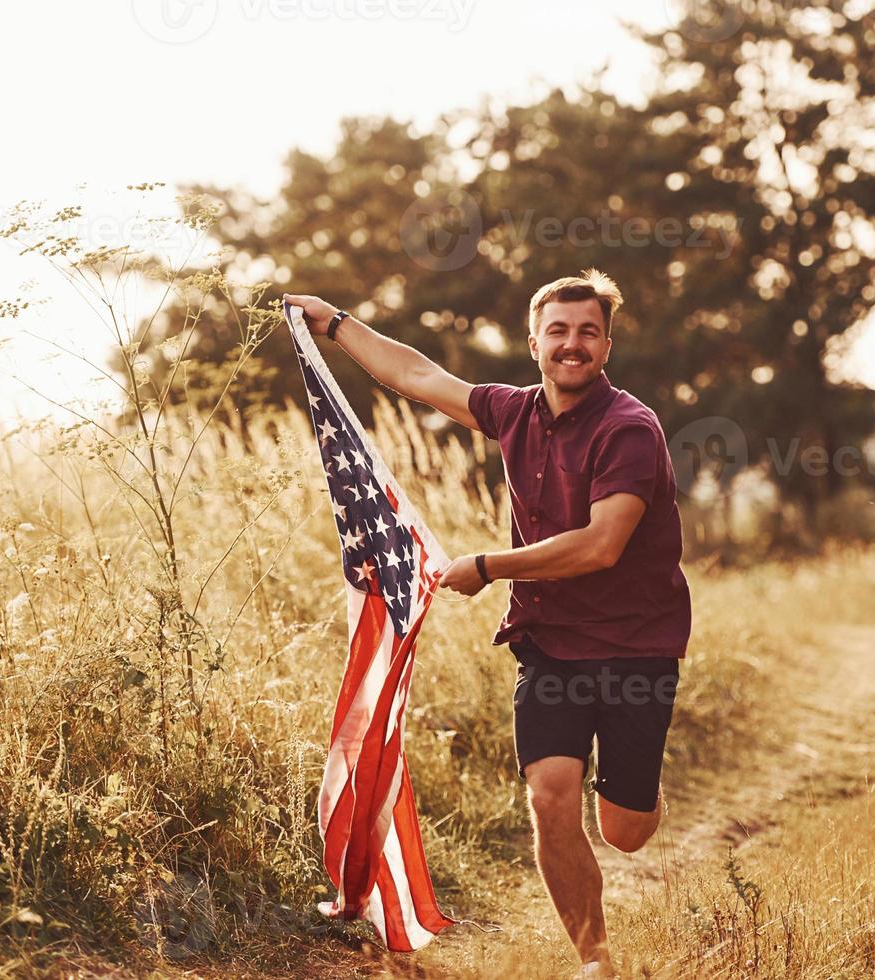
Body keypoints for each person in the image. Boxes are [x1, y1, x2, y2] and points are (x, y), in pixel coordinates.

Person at [283, 270, 691, 976]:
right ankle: (596, 960)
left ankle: (639, 787)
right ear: (534, 343)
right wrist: (334, 323)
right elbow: (417, 375)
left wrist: (489, 566)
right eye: (558, 332)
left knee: (623, 832)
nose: (572, 344)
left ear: (607, 346)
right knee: (549, 797)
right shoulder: (514, 411)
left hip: (636, 650)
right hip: (551, 648)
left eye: (587, 332)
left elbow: (602, 545)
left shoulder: (630, 429)